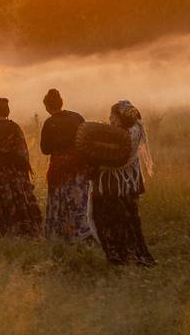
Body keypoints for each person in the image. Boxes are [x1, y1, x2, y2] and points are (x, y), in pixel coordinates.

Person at [92, 100, 156, 266]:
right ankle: (137, 254)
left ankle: (120, 256)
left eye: (112, 116)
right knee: (131, 221)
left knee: (111, 220)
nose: (110, 119)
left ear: (120, 118)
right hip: (131, 183)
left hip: (113, 186)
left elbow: (107, 161)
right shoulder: (137, 129)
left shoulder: (119, 136)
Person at [0, 97, 42, 236]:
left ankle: (4, 230)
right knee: (21, 200)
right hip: (17, 173)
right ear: (7, 112)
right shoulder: (15, 127)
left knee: (1, 201)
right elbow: (23, 152)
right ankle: (25, 228)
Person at [39, 88, 95, 242]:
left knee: (59, 202)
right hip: (79, 167)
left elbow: (45, 149)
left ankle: (61, 235)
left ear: (47, 107)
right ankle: (83, 233)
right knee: (79, 201)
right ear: (61, 102)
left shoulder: (49, 123)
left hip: (59, 170)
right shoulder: (77, 117)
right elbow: (86, 139)